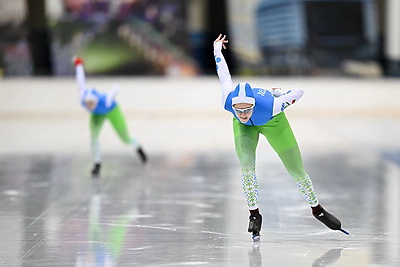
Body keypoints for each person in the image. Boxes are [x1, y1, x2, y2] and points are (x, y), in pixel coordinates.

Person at [213, 34, 344, 241]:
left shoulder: (271, 106)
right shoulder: (228, 100)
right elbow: (224, 74)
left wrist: (280, 93)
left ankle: (317, 210)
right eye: (239, 111)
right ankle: (254, 215)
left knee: (296, 170)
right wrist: (217, 49)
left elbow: (299, 92)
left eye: (247, 109)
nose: (244, 114)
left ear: (254, 104)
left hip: (273, 122)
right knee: (247, 168)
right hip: (244, 129)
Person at [73, 56, 147, 177]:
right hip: (97, 115)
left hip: (112, 110)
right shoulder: (82, 97)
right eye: (88, 104)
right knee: (94, 138)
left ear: (97, 101)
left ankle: (138, 146)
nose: (90, 106)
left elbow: (116, 87)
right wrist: (78, 64)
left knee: (124, 138)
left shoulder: (106, 100)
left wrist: (112, 93)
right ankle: (97, 163)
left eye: (92, 103)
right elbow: (80, 80)